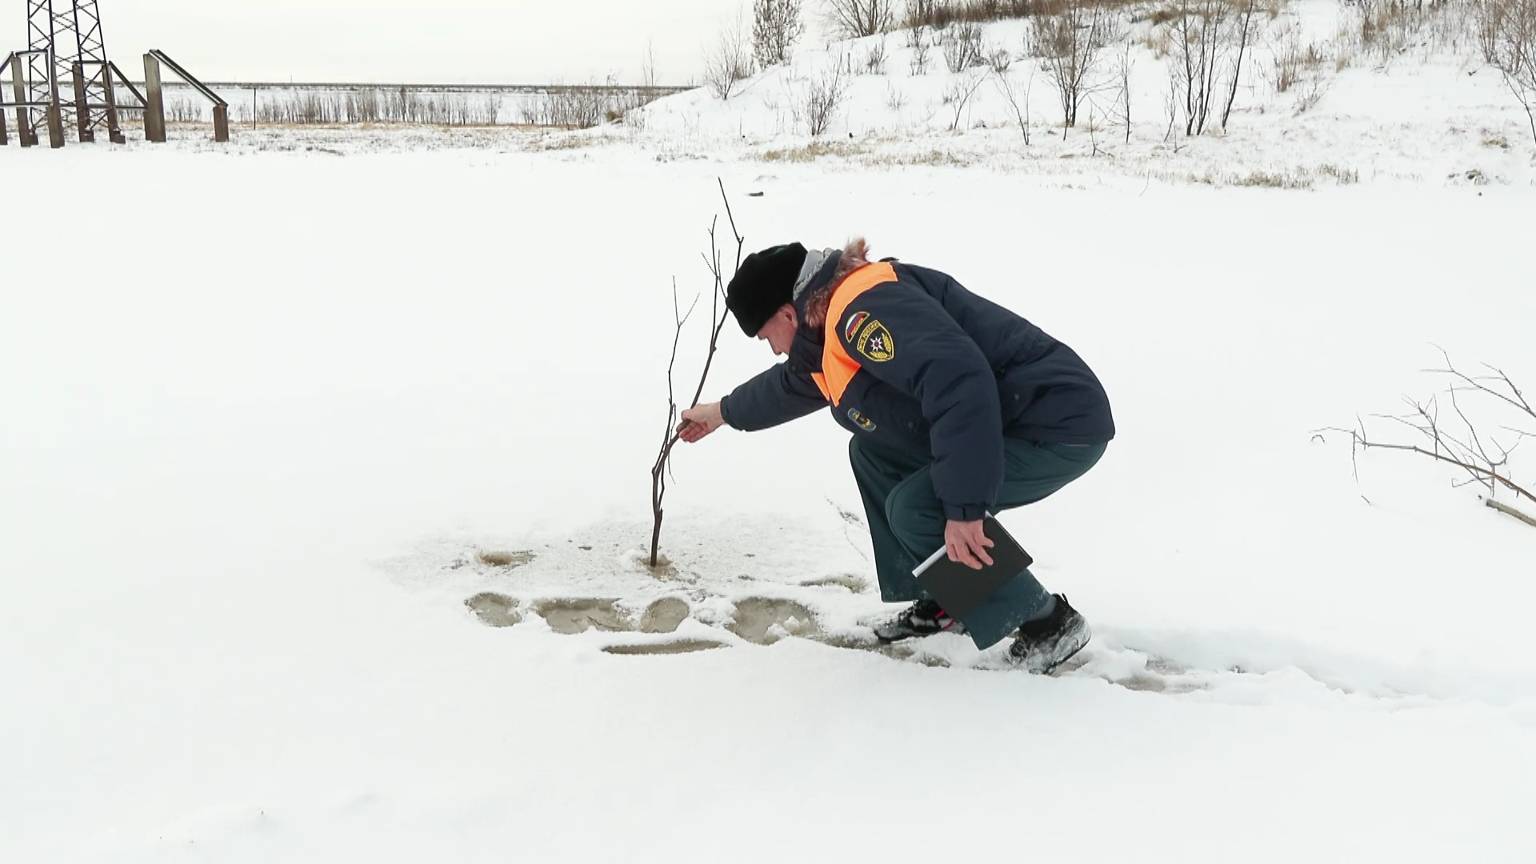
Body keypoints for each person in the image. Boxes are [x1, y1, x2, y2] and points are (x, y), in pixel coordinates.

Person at [677, 239, 1114, 673]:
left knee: (918, 507)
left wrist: (965, 509)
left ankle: (1046, 622)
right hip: (1006, 419)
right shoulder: (828, 326)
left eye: (767, 336)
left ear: (787, 314)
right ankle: (946, 598)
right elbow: (792, 385)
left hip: (1056, 423)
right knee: (872, 453)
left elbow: (959, 381)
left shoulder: (862, 314)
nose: (773, 348)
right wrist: (722, 413)